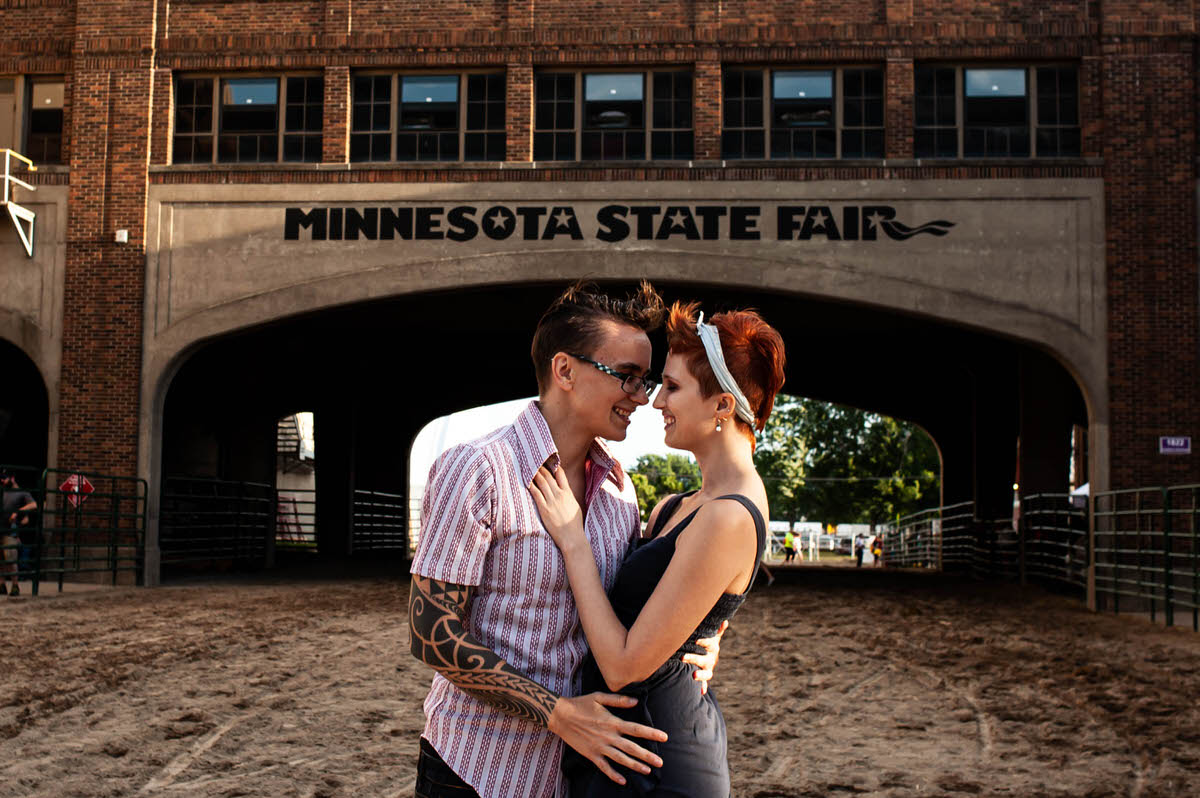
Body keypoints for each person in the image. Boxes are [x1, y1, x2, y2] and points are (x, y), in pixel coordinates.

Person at [407, 282, 724, 798]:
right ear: (565, 370)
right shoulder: (478, 469)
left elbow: (644, 602)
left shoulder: (621, 489)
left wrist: (705, 640)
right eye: (627, 377)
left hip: (579, 776)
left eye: (645, 382)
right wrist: (557, 715)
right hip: (473, 769)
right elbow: (430, 634)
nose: (641, 398)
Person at [530, 301, 786, 796]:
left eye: (671, 386)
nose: (655, 402)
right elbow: (687, 603)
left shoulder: (730, 514)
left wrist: (573, 538)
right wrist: (709, 634)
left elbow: (625, 665)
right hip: (618, 744)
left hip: (662, 763)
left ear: (721, 406)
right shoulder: (677, 505)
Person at [0, 470, 37, 597]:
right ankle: (2, 584)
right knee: (2, 558)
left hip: (11, 529)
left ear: (12, 478)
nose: (2, 481)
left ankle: (15, 586)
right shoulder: (3, 491)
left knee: (11, 558)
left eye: (4, 478)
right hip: (2, 526)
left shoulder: (21, 492)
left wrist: (18, 512)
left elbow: (33, 505)